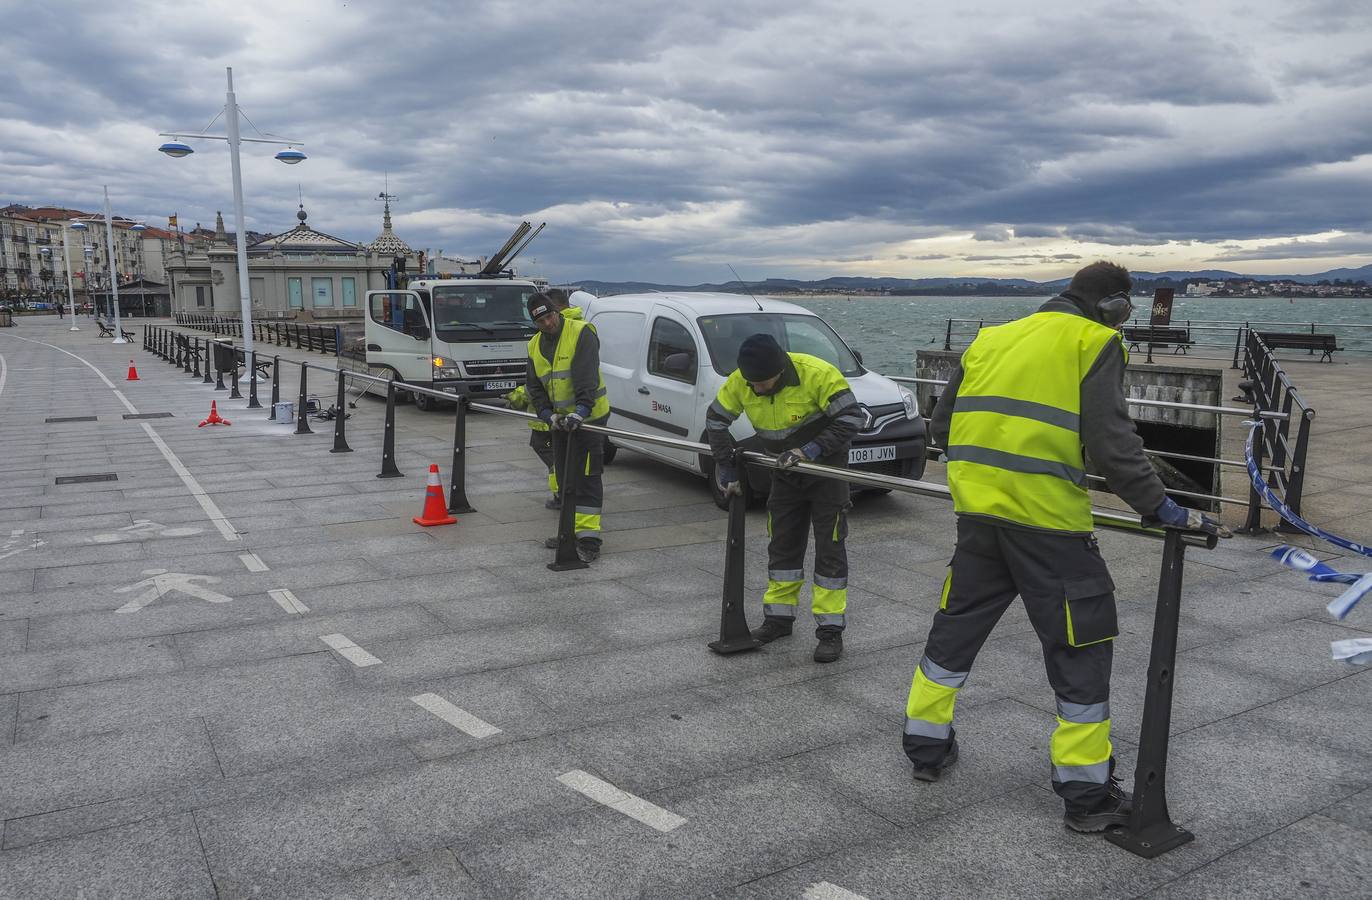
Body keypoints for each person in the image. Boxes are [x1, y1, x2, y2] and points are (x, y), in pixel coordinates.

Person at [901, 261, 1231, 832]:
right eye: (1126, 308)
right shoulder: (1094, 341)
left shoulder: (992, 338)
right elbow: (1112, 446)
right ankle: (1086, 795)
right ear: (1112, 306)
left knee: (954, 631)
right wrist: (1164, 508)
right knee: (1081, 651)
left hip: (978, 518)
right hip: (1051, 528)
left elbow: (941, 427)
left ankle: (925, 748)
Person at [706, 333, 864, 663]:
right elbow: (715, 420)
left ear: (780, 369)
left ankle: (830, 632)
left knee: (830, 551)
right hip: (785, 472)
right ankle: (778, 620)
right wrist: (725, 465)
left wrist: (809, 450)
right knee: (781, 546)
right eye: (752, 383)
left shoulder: (817, 374)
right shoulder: (743, 381)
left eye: (763, 382)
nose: (756, 389)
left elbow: (852, 418)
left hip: (826, 471)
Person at [524, 291, 609, 563]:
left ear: (556, 312)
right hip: (560, 422)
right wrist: (547, 414)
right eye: (541, 322)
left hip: (590, 419)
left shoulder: (581, 332)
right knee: (564, 477)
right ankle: (568, 532)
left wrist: (581, 412)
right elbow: (534, 387)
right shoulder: (534, 345)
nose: (548, 324)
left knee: (587, 478)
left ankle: (589, 539)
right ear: (534, 324)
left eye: (550, 317)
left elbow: (587, 376)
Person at [503, 384, 560, 509]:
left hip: (543, 426)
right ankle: (562, 494)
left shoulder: (540, 372)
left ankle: (560, 496)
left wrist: (512, 397)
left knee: (553, 461)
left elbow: (529, 391)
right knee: (557, 457)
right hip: (558, 423)